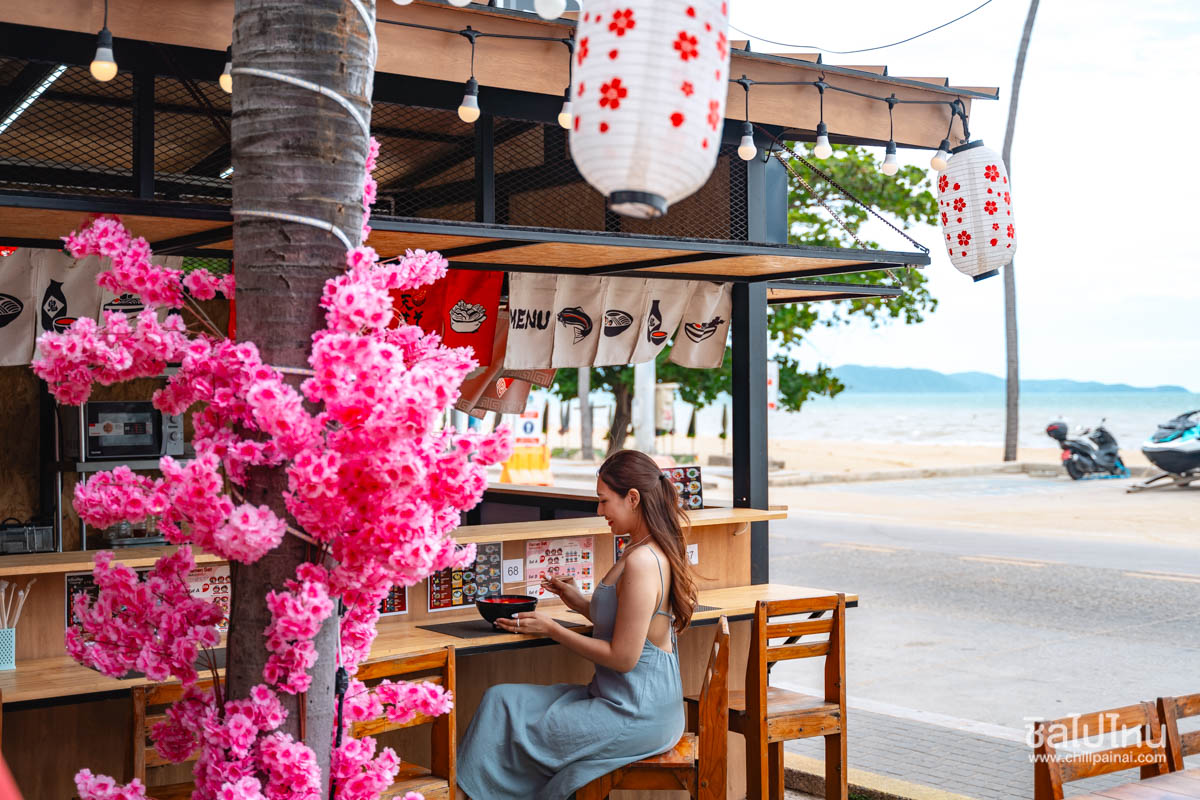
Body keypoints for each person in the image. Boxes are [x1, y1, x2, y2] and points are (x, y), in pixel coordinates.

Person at [456, 450, 698, 800]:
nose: (599, 512)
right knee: (500, 701)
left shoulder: (644, 561)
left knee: (509, 719)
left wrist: (553, 629)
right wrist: (581, 604)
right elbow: (629, 622)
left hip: (635, 715)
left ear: (633, 499)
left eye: (604, 501)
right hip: (621, 701)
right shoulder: (640, 547)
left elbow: (623, 657)